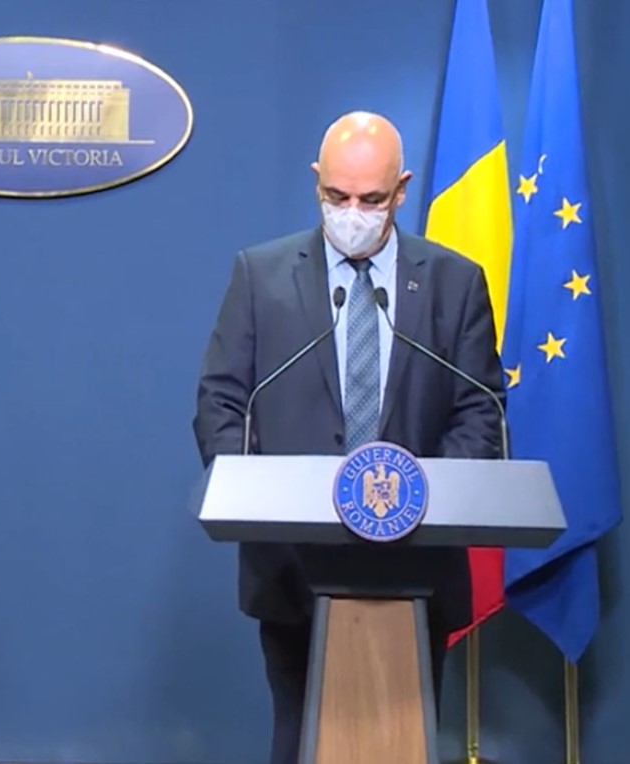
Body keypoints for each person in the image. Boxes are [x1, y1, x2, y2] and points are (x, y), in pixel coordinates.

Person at [192, 111, 503, 764]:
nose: (352, 213)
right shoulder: (261, 275)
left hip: (418, 566)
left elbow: (480, 411)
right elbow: (222, 403)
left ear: (401, 189)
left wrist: (419, 498)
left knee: (404, 737)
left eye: (371, 199)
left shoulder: (454, 281)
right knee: (299, 737)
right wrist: (259, 496)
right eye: (336, 196)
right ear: (316, 181)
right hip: (293, 567)